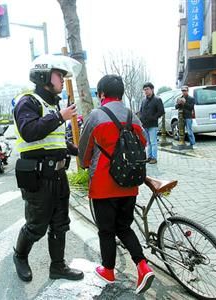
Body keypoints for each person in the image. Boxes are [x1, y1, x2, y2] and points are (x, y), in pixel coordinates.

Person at [78, 75, 155, 294]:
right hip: (129, 183)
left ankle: (109, 270)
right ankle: (142, 265)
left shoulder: (96, 115)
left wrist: (85, 164)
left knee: (106, 231)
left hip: (103, 185)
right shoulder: (132, 116)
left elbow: (84, 153)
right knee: (124, 226)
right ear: (120, 93)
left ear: (101, 93)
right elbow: (143, 142)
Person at [12, 54, 83, 283]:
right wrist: (59, 117)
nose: (62, 80)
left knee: (60, 224)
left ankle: (58, 266)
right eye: (59, 75)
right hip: (38, 176)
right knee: (36, 226)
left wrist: (80, 151)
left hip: (59, 175)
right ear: (44, 75)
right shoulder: (28, 101)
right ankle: (20, 256)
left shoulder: (54, 105)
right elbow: (30, 132)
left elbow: (57, 142)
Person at [139, 82, 164, 164]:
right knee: (148, 142)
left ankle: (154, 158)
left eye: (147, 89)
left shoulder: (157, 99)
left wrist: (153, 117)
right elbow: (141, 111)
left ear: (152, 89)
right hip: (145, 125)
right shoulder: (143, 101)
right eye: (144, 90)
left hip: (153, 124)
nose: (146, 91)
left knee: (153, 142)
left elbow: (161, 111)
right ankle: (149, 157)